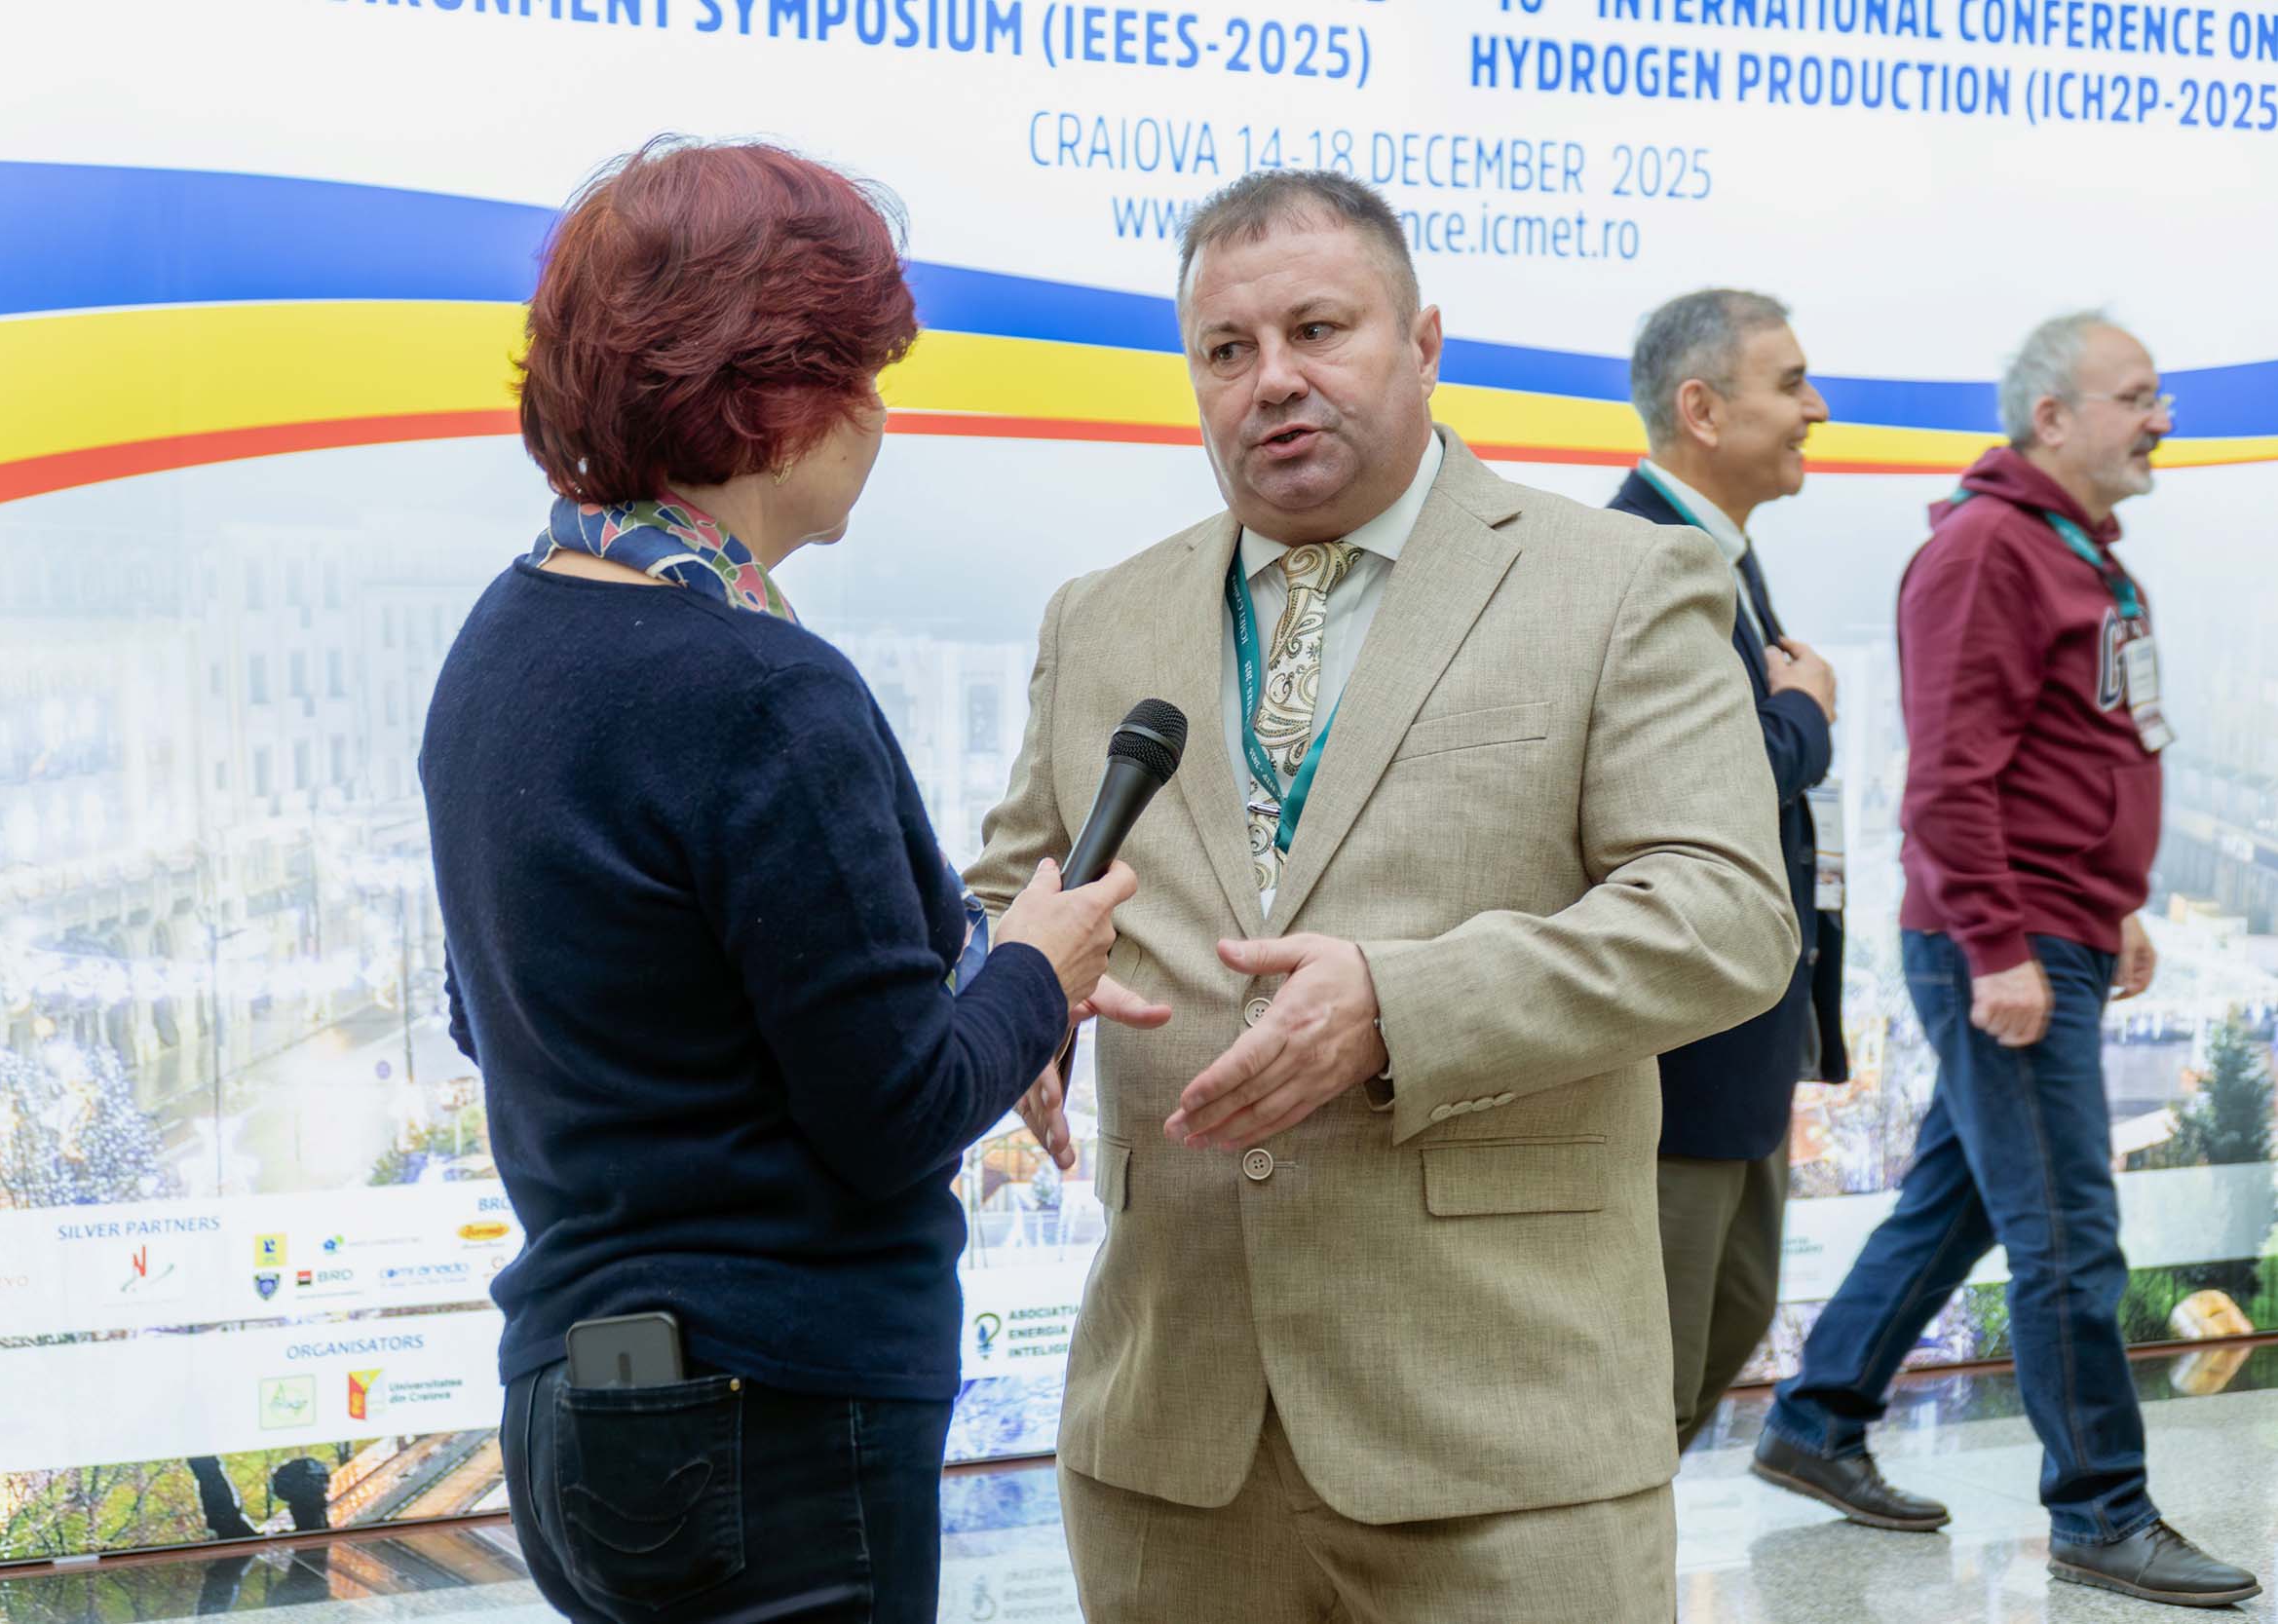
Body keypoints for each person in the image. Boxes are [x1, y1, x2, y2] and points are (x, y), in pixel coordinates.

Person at [968, 170, 1800, 1623]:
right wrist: (1013, 986)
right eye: (1227, 350)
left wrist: (1402, 1004)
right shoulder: (1101, 615)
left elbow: (1724, 913)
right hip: (1173, 1440)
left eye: (1317, 330)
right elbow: (1017, 879)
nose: (1272, 380)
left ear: (1422, 343)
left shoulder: (1619, 581)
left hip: (1502, 1439)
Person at [418, 137, 1137, 1624]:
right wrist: (1034, 972)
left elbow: (500, 1014)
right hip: (774, 1418)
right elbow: (891, 1116)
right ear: (775, 394)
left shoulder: (503, 642)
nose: (879, 414)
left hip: (580, 1411)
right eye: (861, 371)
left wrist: (971, 989)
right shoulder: (758, 687)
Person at [1752, 313, 2259, 1608]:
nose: (2161, 419)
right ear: (2052, 416)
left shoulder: (2081, 552)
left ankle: (1814, 1416)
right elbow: (1949, 774)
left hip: (2055, 924)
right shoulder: (1987, 550)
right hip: (2006, 939)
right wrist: (1997, 942)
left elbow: (2078, 753)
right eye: (2136, 397)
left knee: (1960, 1199)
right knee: (2069, 1237)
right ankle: (2101, 1511)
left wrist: (2113, 904)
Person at [1608, 288, 1845, 1452]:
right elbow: (1711, 775)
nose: (1817, 407)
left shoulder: (1716, 553)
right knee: (1646, 1384)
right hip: (1681, 1066)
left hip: (1740, 1052)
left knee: (1724, 1325)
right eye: (1790, 383)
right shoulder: (1644, 558)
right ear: (1700, 409)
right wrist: (1806, 718)